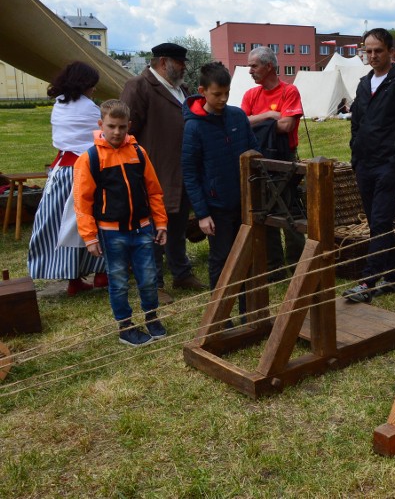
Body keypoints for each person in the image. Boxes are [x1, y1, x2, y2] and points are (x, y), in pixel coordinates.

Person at [73, 100, 168, 346]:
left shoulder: (139, 153)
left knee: (149, 278)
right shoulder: (90, 159)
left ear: (129, 126)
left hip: (143, 228)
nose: (116, 132)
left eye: (122, 127)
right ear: (100, 124)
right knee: (118, 281)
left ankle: (151, 317)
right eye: (111, 126)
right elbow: (82, 202)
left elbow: (154, 191)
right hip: (111, 232)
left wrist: (161, 223)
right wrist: (90, 237)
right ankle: (125, 326)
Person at [121, 42, 206, 305]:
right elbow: (125, 132)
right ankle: (153, 284)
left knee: (178, 226)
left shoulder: (182, 88)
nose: (184, 67)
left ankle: (181, 273)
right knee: (154, 232)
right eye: (180, 63)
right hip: (154, 173)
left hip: (182, 172)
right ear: (163, 62)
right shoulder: (139, 86)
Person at [342, 28, 395, 304]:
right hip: (365, 164)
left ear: (389, 51)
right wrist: (355, 154)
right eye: (368, 50)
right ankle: (394, 277)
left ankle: (367, 281)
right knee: (378, 224)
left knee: (380, 222)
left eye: (378, 50)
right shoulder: (364, 83)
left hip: (388, 165)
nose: (373, 55)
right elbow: (357, 123)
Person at [182, 63, 259, 318]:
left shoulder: (237, 117)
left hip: (245, 202)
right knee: (222, 259)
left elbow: (254, 152)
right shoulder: (193, 127)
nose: (223, 99)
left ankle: (249, 312)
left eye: (226, 93)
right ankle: (220, 315)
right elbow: (190, 173)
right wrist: (202, 214)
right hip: (217, 207)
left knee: (247, 257)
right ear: (202, 91)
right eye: (217, 94)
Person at [27, 61, 108, 296]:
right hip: (86, 172)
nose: (94, 89)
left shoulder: (58, 104)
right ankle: (102, 273)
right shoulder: (90, 109)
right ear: (84, 84)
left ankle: (73, 279)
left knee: (59, 225)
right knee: (94, 221)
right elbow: (99, 141)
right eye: (92, 85)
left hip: (61, 173)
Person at [240, 45, 305, 279]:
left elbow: (287, 125)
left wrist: (256, 122)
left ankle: (297, 263)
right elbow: (241, 122)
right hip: (258, 160)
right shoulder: (250, 95)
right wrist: (268, 116)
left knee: (288, 209)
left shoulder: (289, 91)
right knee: (264, 209)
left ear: (269, 66)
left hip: (284, 159)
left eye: (253, 66)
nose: (250, 71)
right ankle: (274, 266)